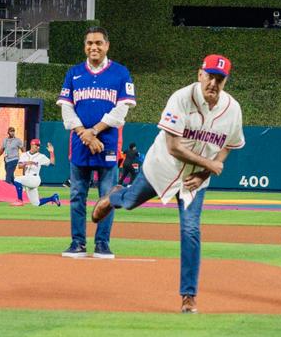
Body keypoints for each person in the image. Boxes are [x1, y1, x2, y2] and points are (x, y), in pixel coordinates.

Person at [92, 55, 245, 313]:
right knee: (129, 202)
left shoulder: (233, 109)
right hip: (161, 168)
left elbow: (228, 146)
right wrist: (209, 166)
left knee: (191, 231)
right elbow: (174, 147)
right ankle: (114, 196)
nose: (214, 83)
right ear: (200, 75)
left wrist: (203, 175)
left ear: (226, 81)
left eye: (220, 79)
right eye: (210, 76)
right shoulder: (181, 99)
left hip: (193, 182)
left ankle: (188, 296)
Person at [57, 26, 136, 259]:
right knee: (76, 196)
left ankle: (102, 244)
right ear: (85, 46)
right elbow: (67, 109)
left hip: (108, 143)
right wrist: (85, 134)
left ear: (107, 45)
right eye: (90, 43)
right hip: (80, 144)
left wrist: (94, 131)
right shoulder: (74, 73)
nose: (94, 47)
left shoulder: (120, 73)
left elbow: (121, 110)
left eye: (99, 43)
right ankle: (77, 243)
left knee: (108, 197)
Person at [15, 139, 61, 206]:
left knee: (17, 179)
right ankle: (53, 198)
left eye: (39, 145)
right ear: (32, 145)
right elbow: (19, 166)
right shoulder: (24, 155)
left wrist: (51, 152)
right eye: (36, 145)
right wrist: (27, 163)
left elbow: (52, 163)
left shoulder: (41, 156)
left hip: (35, 178)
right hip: (27, 179)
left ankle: (19, 200)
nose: (38, 147)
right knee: (36, 203)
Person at [0, 125, 26, 199]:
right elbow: (2, 150)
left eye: (13, 131)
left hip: (14, 159)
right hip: (7, 159)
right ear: (8, 132)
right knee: (11, 177)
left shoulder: (18, 140)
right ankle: (19, 188)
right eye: (11, 131)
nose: (12, 132)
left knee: (8, 176)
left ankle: (5, 194)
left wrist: (25, 158)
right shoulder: (5, 140)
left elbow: (23, 150)